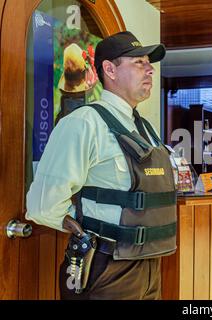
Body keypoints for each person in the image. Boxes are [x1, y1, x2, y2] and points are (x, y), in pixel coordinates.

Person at [26, 31, 177, 300]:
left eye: (148, 63)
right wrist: (90, 231)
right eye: (138, 62)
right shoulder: (84, 123)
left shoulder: (146, 128)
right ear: (110, 69)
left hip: (150, 265)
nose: (150, 70)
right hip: (105, 268)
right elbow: (43, 206)